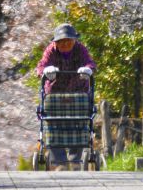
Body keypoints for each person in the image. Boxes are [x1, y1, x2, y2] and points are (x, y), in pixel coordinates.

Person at [36, 24, 97, 168]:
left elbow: (90, 62)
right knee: (53, 125)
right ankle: (60, 162)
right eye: (61, 41)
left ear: (74, 41)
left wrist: (87, 69)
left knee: (80, 123)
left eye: (68, 41)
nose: (65, 44)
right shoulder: (50, 50)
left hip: (78, 91)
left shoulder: (80, 49)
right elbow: (41, 66)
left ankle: (75, 160)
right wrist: (46, 70)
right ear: (55, 42)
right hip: (55, 92)